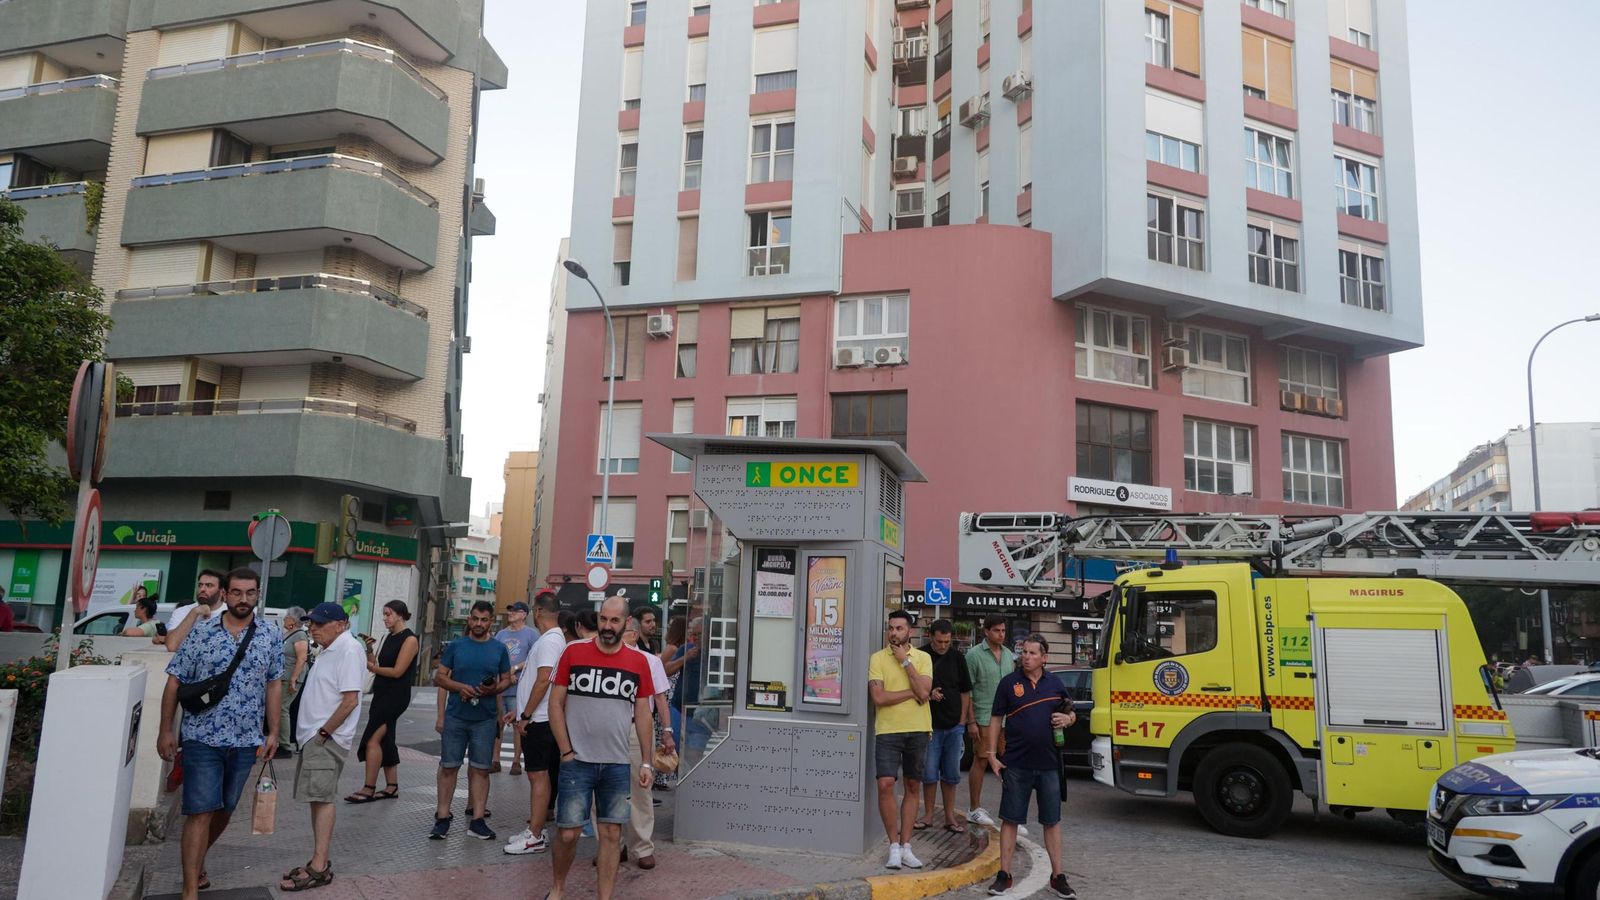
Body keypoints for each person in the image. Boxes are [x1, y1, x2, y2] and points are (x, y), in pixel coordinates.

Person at [156, 567, 284, 900]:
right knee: (200, 810)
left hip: (245, 740)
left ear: (258, 594)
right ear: (224, 594)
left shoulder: (270, 634)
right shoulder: (201, 632)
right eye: (237, 592)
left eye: (250, 593)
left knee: (225, 809)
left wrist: (273, 732)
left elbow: (273, 683)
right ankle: (189, 890)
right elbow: (174, 681)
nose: (244, 599)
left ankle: (197, 862)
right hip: (202, 736)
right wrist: (165, 730)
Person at [547, 597, 658, 900]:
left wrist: (647, 762)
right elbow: (555, 702)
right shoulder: (573, 652)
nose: (608, 627)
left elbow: (644, 713)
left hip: (617, 763)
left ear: (626, 624)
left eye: (615, 621)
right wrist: (565, 751)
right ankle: (557, 888)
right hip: (577, 761)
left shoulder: (639, 662)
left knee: (611, 835)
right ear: (598, 619)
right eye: (604, 620)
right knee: (568, 833)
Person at [278, 603, 365, 892]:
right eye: (310, 623)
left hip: (325, 739)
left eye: (319, 623)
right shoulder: (330, 649)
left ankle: (319, 865)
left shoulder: (349, 649)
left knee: (323, 798)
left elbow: (350, 699)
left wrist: (324, 733)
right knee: (317, 798)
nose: (312, 628)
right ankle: (318, 861)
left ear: (340, 624)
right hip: (316, 738)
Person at [986, 634, 1076, 899]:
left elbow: (1071, 711)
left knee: (1052, 821)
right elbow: (995, 719)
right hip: (1016, 764)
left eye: (1032, 653)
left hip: (1049, 765)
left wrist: (1068, 719)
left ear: (1044, 658)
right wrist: (991, 754)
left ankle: (1058, 877)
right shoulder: (1009, 683)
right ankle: (1004, 875)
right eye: (1024, 652)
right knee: (1010, 820)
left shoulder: (1055, 683)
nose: (1026, 656)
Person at [430, 600, 511, 841]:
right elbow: (439, 678)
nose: (478, 623)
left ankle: (477, 820)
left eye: (483, 620)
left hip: (485, 719)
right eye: (475, 618)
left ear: (490, 622)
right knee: (449, 767)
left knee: (481, 770)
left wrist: (494, 689)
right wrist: (461, 688)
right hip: (456, 716)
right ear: (469, 619)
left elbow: (507, 679)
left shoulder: (499, 649)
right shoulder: (456, 646)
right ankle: (442, 818)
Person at [868, 609, 933, 870]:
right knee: (885, 784)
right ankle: (893, 846)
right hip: (888, 729)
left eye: (899, 628)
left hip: (918, 728)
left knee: (913, 786)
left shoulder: (923, 658)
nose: (893, 633)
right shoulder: (877, 659)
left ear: (910, 632)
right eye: (891, 628)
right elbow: (880, 699)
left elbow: (925, 693)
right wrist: (911, 693)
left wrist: (905, 662)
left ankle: (906, 846)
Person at [503, 593, 566, 855]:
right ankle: (534, 829)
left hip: (540, 719)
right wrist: (519, 710)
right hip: (536, 715)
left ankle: (536, 835)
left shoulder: (551, 641)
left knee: (538, 775)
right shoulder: (549, 640)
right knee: (538, 775)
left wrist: (527, 714)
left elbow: (544, 680)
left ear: (538, 612)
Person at [347, 601, 419, 802]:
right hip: (381, 693)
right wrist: (369, 648)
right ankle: (391, 786)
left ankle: (368, 788)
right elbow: (377, 664)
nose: (385, 618)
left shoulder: (410, 639)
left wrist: (372, 669)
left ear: (400, 616)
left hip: (395, 696)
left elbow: (397, 671)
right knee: (387, 739)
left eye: (388, 614)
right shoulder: (389, 637)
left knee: (372, 740)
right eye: (384, 614)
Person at [620, 617, 675, 869]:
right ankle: (611, 844)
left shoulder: (650, 661)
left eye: (623, 632)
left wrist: (667, 731)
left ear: (632, 635)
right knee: (604, 788)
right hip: (607, 728)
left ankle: (642, 847)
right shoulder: (604, 656)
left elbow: (661, 699)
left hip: (635, 727)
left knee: (641, 786)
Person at [916, 618, 974, 832]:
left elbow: (965, 691)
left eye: (946, 642)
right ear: (931, 637)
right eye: (939, 641)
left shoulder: (958, 658)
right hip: (929, 725)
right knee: (929, 773)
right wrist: (929, 695)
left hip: (953, 726)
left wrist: (963, 721)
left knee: (951, 774)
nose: (942, 646)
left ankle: (950, 817)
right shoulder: (920, 656)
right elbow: (914, 688)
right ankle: (928, 815)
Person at [966, 615, 1015, 828]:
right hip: (984, 716)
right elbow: (967, 691)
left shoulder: (1008, 655)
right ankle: (974, 809)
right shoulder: (974, 655)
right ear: (986, 631)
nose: (1001, 634)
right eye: (997, 630)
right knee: (981, 760)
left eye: (1003, 631)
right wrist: (971, 721)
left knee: (1009, 763)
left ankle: (1011, 812)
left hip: (1006, 719)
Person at [493, 601, 540, 774]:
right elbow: (494, 655)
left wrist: (515, 668)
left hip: (519, 688)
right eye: (510, 610)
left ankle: (515, 762)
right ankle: (495, 760)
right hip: (500, 687)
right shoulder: (501, 634)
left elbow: (534, 658)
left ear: (524, 614)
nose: (511, 613)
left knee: (517, 725)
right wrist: (505, 673)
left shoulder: (531, 634)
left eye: (515, 611)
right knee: (497, 724)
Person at [665, 617, 707, 752]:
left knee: (694, 753)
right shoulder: (686, 649)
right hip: (679, 709)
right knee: (675, 752)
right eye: (693, 634)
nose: (695, 638)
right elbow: (666, 670)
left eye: (699, 635)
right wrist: (685, 658)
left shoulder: (714, 652)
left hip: (701, 715)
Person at [277, 607, 310, 759]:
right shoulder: (289, 634)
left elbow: (301, 658)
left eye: (287, 616)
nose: (284, 619)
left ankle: (285, 745)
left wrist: (293, 679)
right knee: (279, 709)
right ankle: (281, 742)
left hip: (290, 677)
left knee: (283, 709)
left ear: (293, 620)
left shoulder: (300, 635)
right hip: (283, 677)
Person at [165, 570, 225, 651]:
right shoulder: (182, 611)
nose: (202, 589)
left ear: (221, 591)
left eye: (209, 585)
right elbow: (172, 646)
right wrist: (194, 613)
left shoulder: (229, 613)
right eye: (200, 585)